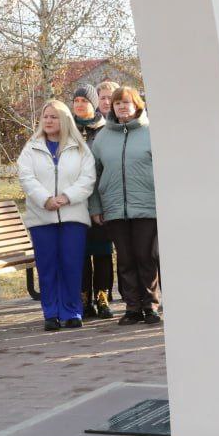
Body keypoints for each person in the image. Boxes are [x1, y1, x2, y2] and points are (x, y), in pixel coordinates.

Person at [18, 101, 97, 331]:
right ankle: (51, 313)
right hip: (42, 217)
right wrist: (45, 199)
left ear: (64, 120)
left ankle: (72, 311)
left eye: (54, 117)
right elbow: (26, 178)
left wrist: (66, 197)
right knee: (47, 267)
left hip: (73, 216)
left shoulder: (80, 148)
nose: (49, 121)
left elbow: (87, 179)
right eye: (46, 116)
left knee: (72, 265)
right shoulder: (31, 148)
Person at [90, 86, 161, 325]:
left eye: (126, 102)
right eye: (117, 103)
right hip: (114, 208)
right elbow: (94, 174)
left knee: (146, 256)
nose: (121, 107)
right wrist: (95, 207)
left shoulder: (151, 132)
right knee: (125, 259)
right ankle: (132, 307)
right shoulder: (102, 137)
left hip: (147, 206)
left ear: (137, 105)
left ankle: (150, 305)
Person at [71, 84, 113, 319]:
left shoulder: (105, 130)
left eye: (85, 101)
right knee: (81, 252)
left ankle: (103, 296)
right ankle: (84, 297)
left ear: (94, 104)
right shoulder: (68, 130)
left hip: (101, 199)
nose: (80, 105)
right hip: (76, 201)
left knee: (103, 251)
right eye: (76, 101)